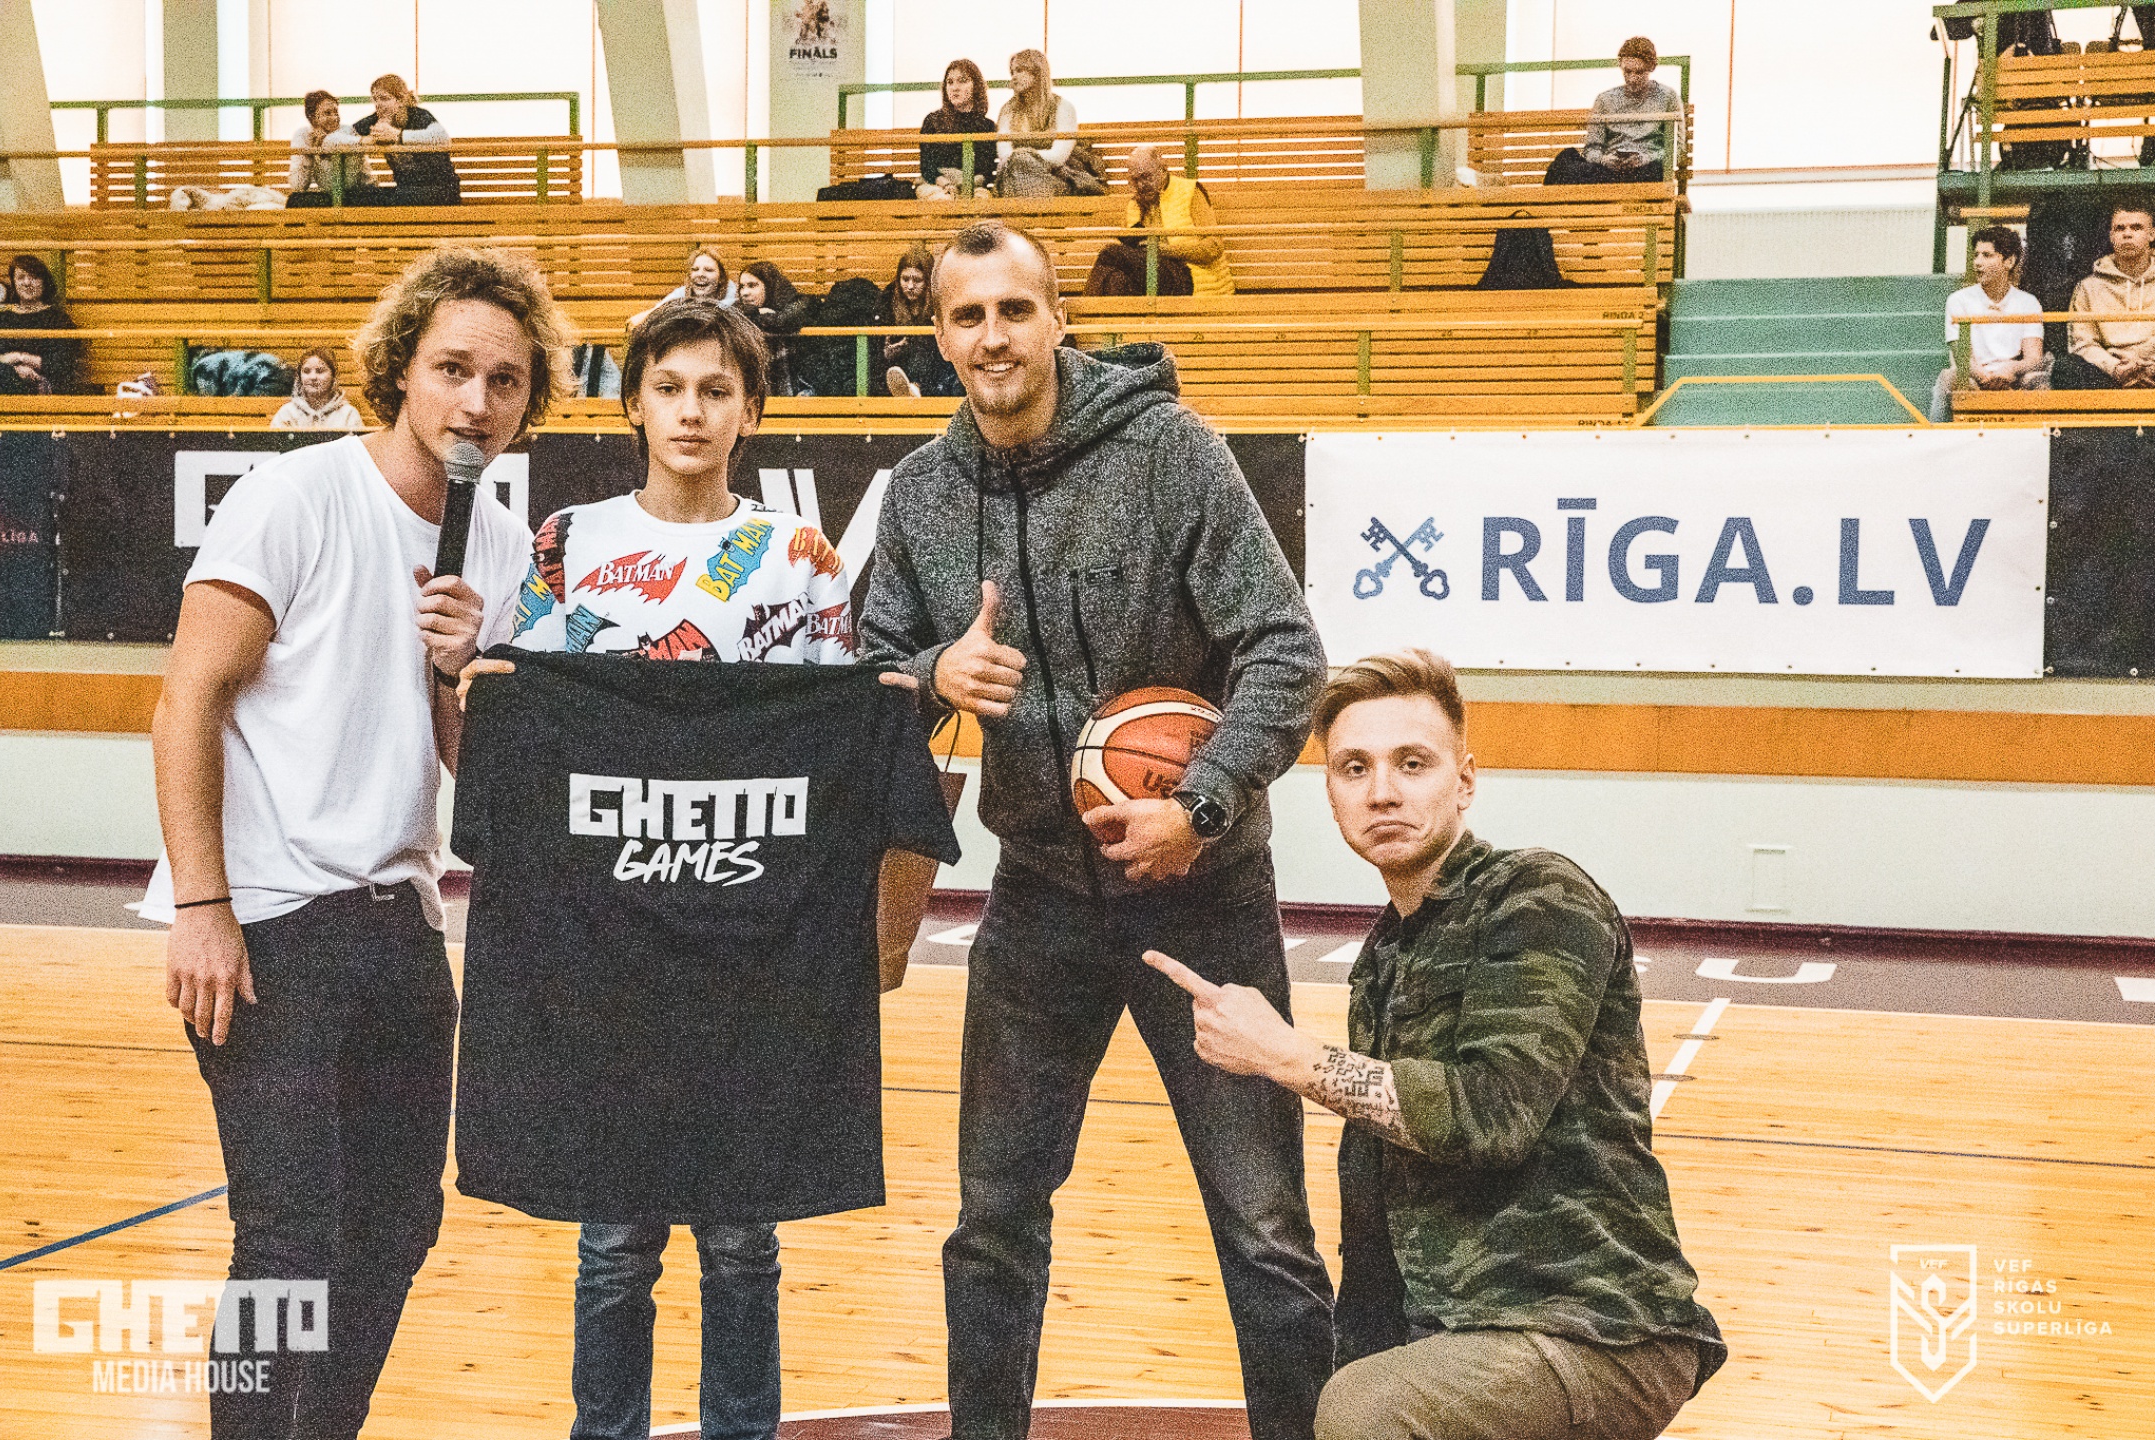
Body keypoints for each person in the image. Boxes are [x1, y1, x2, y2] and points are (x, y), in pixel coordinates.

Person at [861, 218, 1336, 1440]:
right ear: (938, 336)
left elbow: (1285, 650)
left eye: (1014, 309)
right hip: (1036, 899)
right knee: (992, 1222)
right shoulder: (919, 495)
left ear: (1059, 318)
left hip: (1203, 894)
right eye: (967, 316)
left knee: (1264, 1226)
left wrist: (1200, 804)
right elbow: (864, 677)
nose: (993, 337)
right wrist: (931, 673)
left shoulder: (1172, 453)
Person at [141, 244, 564, 1437]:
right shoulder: (298, 496)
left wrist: (458, 673)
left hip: (399, 919)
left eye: (505, 380)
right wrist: (202, 908)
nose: (475, 402)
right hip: (270, 920)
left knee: (396, 1225)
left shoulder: (497, 545)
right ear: (400, 369)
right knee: (286, 1236)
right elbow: (187, 702)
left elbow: (478, 776)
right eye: (452, 369)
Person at [1146, 649, 1727, 1440]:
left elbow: (1491, 1116)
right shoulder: (1386, 956)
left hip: (1588, 1328)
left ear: (1464, 780)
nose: (1381, 790)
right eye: (1353, 768)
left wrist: (1285, 1054)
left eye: (1411, 763)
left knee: (1365, 1413)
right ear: (1331, 794)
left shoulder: (1538, 895)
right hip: (1454, 1331)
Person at [456, 298, 855, 1440]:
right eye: (669, 387)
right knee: (616, 1237)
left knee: (741, 1236)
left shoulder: (800, 557)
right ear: (631, 402)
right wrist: (467, 675)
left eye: (716, 390)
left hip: (748, 945)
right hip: (608, 948)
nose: (691, 412)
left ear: (752, 411)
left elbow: (837, 735)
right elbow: (521, 724)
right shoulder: (567, 541)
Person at [1082, 145, 1233, 298]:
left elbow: (1214, 247)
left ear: (1163, 170)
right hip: (1152, 277)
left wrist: (1166, 251)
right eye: (1135, 180)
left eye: (1146, 177)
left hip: (1187, 275)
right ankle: (1091, 312)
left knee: (1110, 253)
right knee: (1116, 280)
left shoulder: (1190, 191)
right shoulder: (1133, 206)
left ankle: (1081, 310)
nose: (1141, 185)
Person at [1931, 226, 2048, 421]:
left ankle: (2043, 439)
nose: (1977, 262)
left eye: (1987, 255)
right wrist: (1986, 377)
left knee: (2039, 380)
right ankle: (1935, 436)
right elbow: (1962, 358)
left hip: (2013, 376)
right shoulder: (1958, 300)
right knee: (1948, 378)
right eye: (1976, 255)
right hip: (1973, 376)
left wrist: (2011, 369)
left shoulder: (2028, 302)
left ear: (2009, 261)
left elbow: (2034, 358)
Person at [1544, 36, 1682, 185]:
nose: (1632, 79)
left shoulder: (1667, 97)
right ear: (1621, 67)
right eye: (1627, 72)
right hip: (1608, 170)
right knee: (1566, 158)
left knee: (1654, 169)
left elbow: (1678, 149)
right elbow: (1592, 147)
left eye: (1639, 72)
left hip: (1646, 169)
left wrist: (1645, 158)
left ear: (1651, 67)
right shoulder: (1605, 100)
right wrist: (1604, 160)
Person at [2057, 204, 2155, 389]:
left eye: (2136, 228)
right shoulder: (2088, 287)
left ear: (2152, 234)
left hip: (2152, 366)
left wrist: (2145, 364)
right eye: (2120, 228)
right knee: (2066, 367)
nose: (2127, 234)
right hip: (2108, 372)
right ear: (2111, 236)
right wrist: (2115, 368)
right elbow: (2082, 343)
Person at [353, 73, 461, 205]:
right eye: (375, 99)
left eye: (384, 99)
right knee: (358, 196)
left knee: (392, 199)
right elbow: (341, 135)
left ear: (401, 100)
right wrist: (365, 140)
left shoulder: (418, 115)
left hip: (442, 191)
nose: (378, 104)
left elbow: (442, 138)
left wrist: (398, 135)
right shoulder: (374, 121)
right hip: (405, 191)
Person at [0, 255, 81, 395]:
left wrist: (23, 358)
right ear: (14, 283)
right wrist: (14, 368)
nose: (27, 282)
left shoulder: (58, 319)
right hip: (5, 382)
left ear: (44, 282)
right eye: (21, 277)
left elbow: (63, 363)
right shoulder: (0, 319)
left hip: (45, 384)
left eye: (34, 277)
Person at [996, 50, 1078, 197]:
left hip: (1054, 176)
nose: (1014, 76)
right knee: (1018, 171)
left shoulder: (1063, 107)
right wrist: (1022, 159)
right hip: (1014, 176)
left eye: (1020, 70)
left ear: (1037, 72)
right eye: (1012, 72)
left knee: (1021, 168)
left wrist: (1025, 156)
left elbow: (1058, 156)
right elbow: (1004, 154)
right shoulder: (1008, 110)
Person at [876, 242, 953, 398]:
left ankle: (915, 387)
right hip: (897, 364)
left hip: (932, 366)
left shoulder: (939, 300)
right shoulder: (888, 299)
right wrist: (888, 352)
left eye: (917, 280)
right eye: (905, 279)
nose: (910, 286)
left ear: (928, 281)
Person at [918, 58, 999, 200]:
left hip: (974, 186)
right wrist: (946, 184)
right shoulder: (932, 121)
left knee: (980, 201)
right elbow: (927, 167)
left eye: (962, 81)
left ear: (976, 86)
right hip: (937, 185)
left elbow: (985, 171)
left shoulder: (987, 126)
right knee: (942, 201)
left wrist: (966, 186)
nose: (955, 87)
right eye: (950, 82)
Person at [738, 261, 812, 397]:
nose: (745, 293)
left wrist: (758, 315)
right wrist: (757, 313)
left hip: (798, 391)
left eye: (752, 286)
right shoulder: (737, 311)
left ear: (769, 285)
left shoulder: (798, 304)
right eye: (742, 287)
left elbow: (782, 321)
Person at [287, 89, 374, 198]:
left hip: (359, 192)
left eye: (336, 112)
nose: (334, 118)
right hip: (330, 195)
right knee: (295, 200)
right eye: (327, 113)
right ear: (312, 117)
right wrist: (308, 157)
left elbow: (348, 184)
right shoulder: (303, 136)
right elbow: (298, 186)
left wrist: (325, 141)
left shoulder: (346, 131)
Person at [629, 245, 736, 331]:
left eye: (708, 270)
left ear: (721, 277)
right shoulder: (683, 292)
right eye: (695, 269)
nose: (700, 274)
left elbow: (712, 314)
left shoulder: (733, 296)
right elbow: (657, 310)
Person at [270, 347, 366, 430]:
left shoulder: (348, 414)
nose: (313, 377)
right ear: (299, 377)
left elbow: (358, 445)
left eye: (320, 371)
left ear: (333, 376)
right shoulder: (287, 413)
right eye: (306, 371)